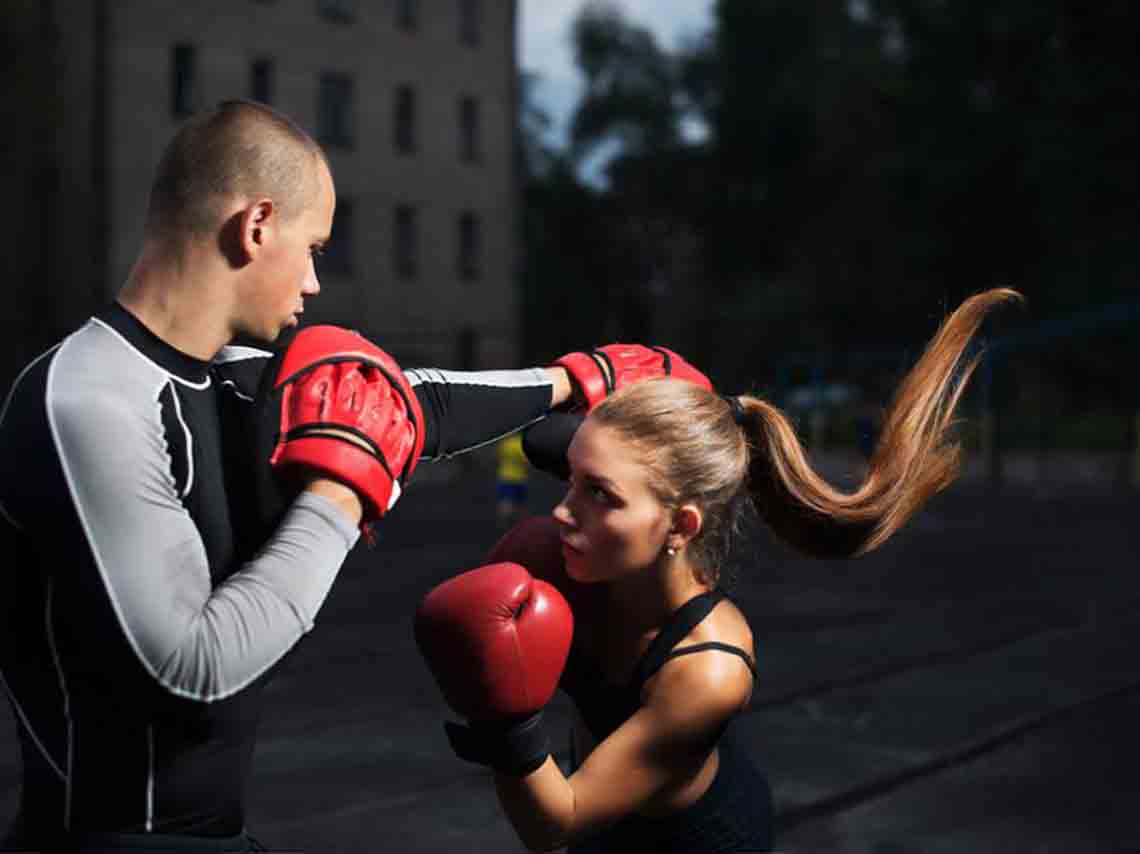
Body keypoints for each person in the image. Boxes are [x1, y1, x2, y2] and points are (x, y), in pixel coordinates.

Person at [0, 99, 695, 853]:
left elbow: (407, 400)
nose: (314, 283)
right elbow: (190, 673)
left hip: (219, 837)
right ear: (256, 225)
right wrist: (337, 498)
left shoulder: (229, 380)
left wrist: (581, 378)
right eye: (315, 247)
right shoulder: (88, 397)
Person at [416, 288, 1020, 853]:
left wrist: (507, 723)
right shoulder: (571, 549)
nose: (563, 510)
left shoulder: (709, 669)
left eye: (600, 493)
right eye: (571, 480)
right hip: (597, 811)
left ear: (681, 527)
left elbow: (557, 821)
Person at [495, 433, 532, 528]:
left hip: (503, 476)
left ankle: (503, 523)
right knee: (519, 503)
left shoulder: (504, 443)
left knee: (505, 501)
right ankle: (520, 525)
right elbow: (526, 461)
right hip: (518, 478)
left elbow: (498, 457)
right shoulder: (519, 444)